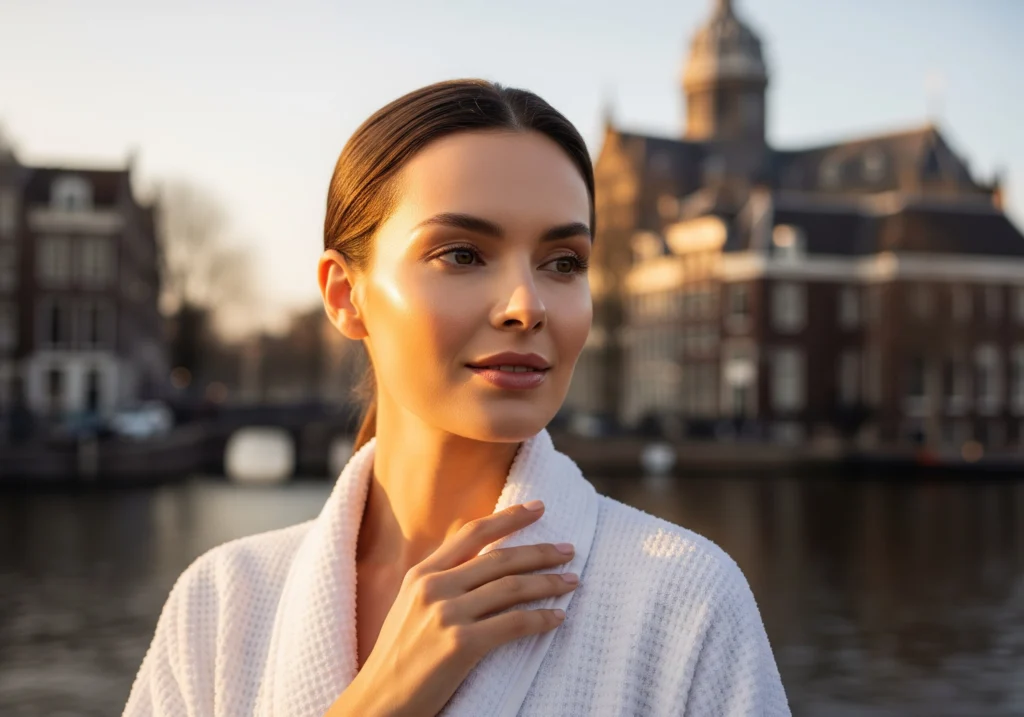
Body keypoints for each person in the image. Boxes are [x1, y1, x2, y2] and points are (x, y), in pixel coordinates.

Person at [123, 79, 790, 717]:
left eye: (563, 262)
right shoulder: (220, 604)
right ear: (345, 295)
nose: (527, 305)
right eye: (462, 254)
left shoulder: (687, 604)